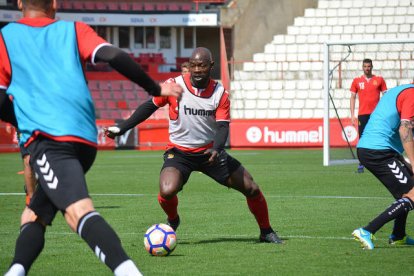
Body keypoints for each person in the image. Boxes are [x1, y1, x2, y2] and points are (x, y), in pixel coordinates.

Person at [1, 1, 183, 275]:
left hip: (51, 139)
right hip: (85, 140)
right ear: (54, 3)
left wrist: (20, 120)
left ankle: (128, 271)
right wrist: (155, 86)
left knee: (78, 212)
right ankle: (16, 270)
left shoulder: (6, 38)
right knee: (33, 215)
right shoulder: (74, 30)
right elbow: (113, 55)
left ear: (18, 3)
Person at [105, 47, 283, 244]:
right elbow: (149, 106)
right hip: (179, 153)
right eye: (193, 65)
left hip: (209, 154)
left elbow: (223, 127)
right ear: (189, 66)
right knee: (167, 190)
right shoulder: (174, 86)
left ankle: (266, 231)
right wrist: (123, 127)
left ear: (211, 66)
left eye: (202, 65)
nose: (197, 70)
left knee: (251, 187)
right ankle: (173, 220)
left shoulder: (220, 94)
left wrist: (217, 148)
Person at [352, 84, 414, 250]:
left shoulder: (404, 90)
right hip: (377, 151)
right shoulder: (412, 94)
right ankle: (367, 230)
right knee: (413, 192)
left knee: (407, 190)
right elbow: (404, 129)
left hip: (382, 149)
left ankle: (398, 235)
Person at [350, 58, 387, 173]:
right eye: (365, 66)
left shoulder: (379, 79)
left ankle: (380, 162)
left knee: (378, 137)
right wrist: (352, 115)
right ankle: (361, 164)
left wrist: (384, 112)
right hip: (362, 114)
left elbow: (385, 97)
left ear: (372, 67)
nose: (367, 68)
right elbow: (352, 97)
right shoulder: (357, 81)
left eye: (369, 66)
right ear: (362, 67)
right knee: (362, 139)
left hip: (376, 115)